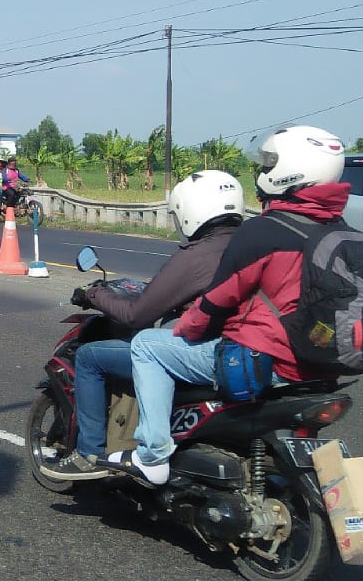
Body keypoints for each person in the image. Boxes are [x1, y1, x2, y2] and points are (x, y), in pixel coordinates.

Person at [98, 125, 347, 485]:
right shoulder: (337, 232)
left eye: (269, 163)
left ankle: (151, 455)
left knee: (148, 346)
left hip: (267, 359)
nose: (262, 173)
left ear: (290, 170)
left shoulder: (266, 231)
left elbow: (219, 298)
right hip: (321, 365)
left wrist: (187, 328)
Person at [42, 170, 245, 481]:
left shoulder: (198, 255)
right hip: (246, 349)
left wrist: (94, 294)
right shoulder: (250, 244)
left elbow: (137, 315)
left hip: (208, 351)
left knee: (90, 357)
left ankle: (89, 454)